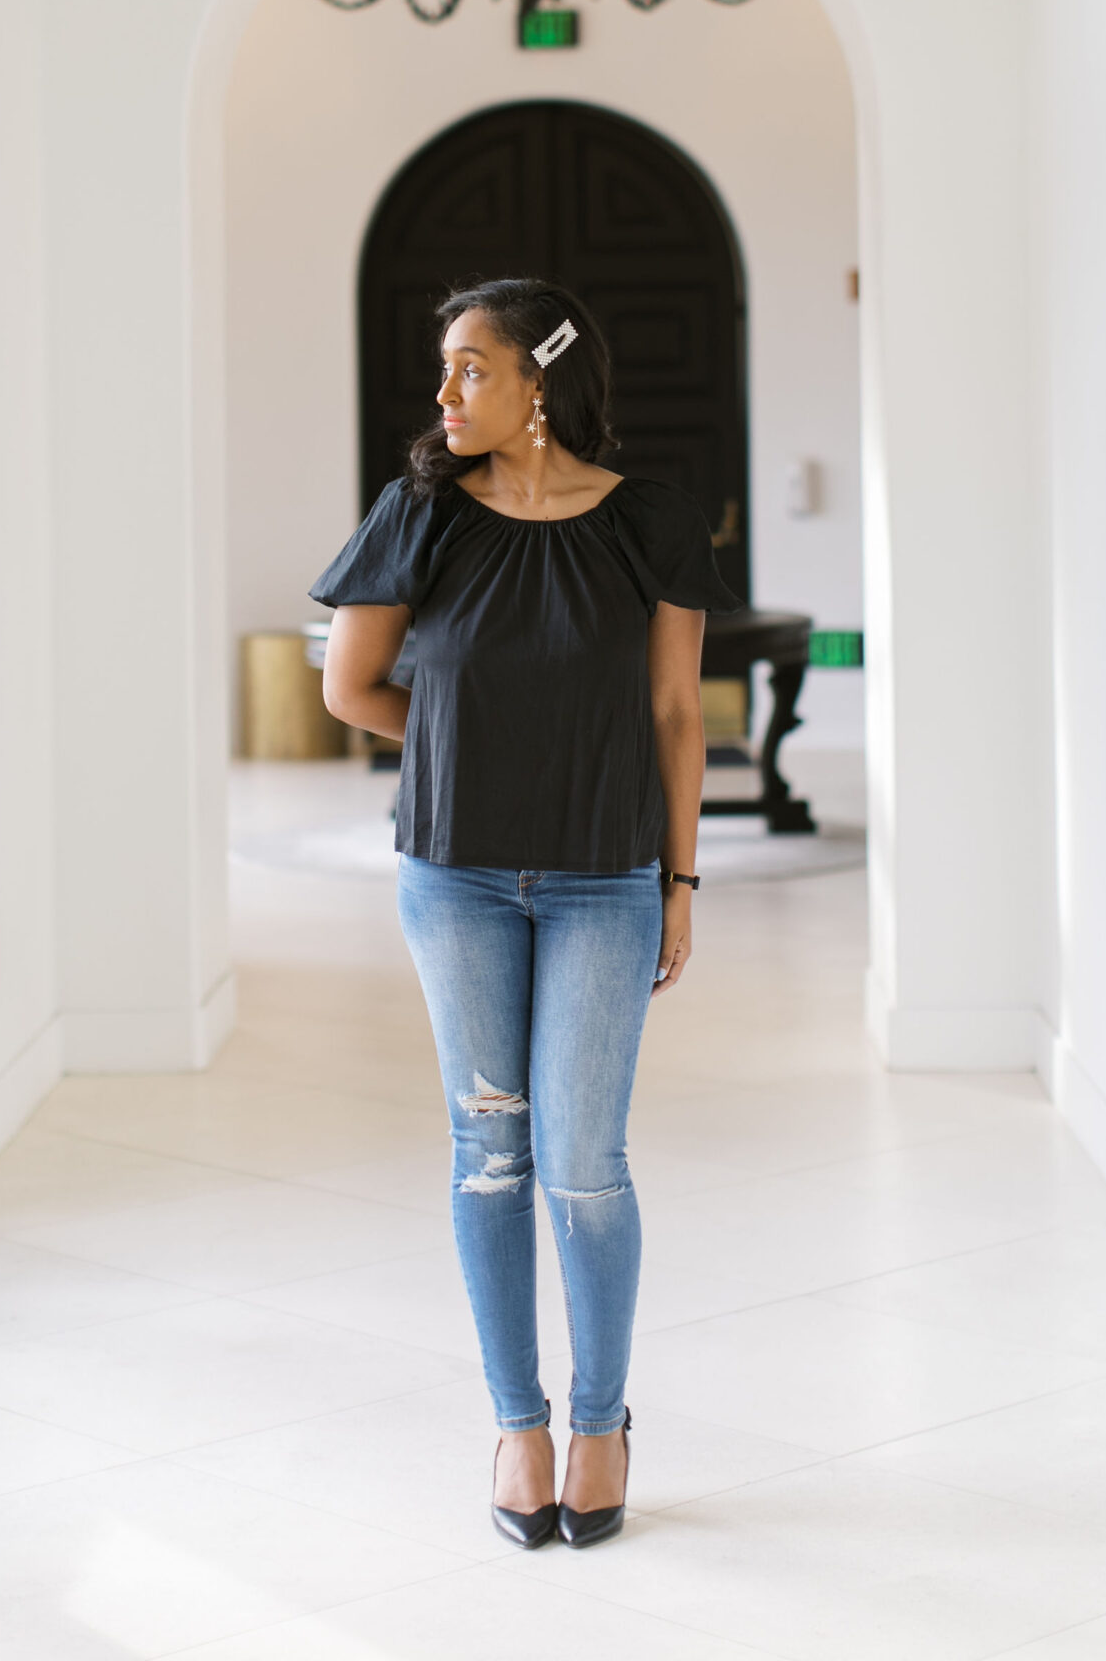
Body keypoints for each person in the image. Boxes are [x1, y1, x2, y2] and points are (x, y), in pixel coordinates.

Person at [312, 277, 735, 1548]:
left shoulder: (647, 521)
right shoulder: (420, 514)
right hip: (456, 876)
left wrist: (679, 875)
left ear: (540, 380)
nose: (443, 394)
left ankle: (600, 1423)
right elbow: (351, 689)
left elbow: (672, 715)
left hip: (607, 876)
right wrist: (471, 747)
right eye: (443, 370)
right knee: (491, 1155)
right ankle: (518, 1424)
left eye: (470, 368)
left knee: (585, 1163)